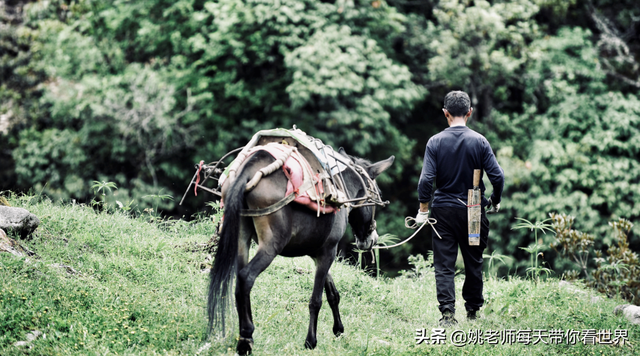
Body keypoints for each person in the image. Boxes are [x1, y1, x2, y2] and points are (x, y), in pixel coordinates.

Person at [415, 90, 504, 326]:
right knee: (473, 261)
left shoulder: (434, 142)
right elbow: (498, 177)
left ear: (445, 113)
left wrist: (424, 209)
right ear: (470, 113)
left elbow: (426, 180)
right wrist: (495, 200)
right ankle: (473, 311)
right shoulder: (480, 141)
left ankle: (447, 315)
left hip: (443, 210)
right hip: (474, 209)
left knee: (444, 265)